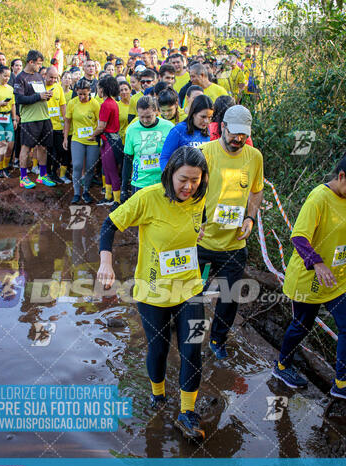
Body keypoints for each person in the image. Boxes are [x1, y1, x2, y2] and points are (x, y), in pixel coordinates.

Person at [98, 146, 209, 441]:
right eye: (183, 179)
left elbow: (202, 219)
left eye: (195, 180)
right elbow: (109, 224)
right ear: (170, 173)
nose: (188, 187)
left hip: (190, 289)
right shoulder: (148, 198)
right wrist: (106, 262)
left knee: (192, 349)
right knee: (158, 349)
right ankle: (157, 396)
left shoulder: (200, 198)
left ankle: (187, 412)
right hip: (153, 292)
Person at [273, 155, 346, 397]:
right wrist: (318, 264)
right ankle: (282, 365)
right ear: (342, 176)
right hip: (309, 279)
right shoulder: (319, 198)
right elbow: (299, 237)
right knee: (302, 326)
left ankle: (341, 383)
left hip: (337, 280)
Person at [198, 105, 264, 359]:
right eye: (233, 133)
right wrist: (195, 224)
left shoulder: (254, 156)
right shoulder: (204, 153)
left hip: (234, 245)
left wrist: (250, 217)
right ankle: (184, 333)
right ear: (222, 127)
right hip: (202, 243)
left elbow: (256, 190)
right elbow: (188, 191)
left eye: (243, 135)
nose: (237, 139)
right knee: (193, 293)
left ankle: (218, 339)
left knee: (229, 297)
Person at [14, 49, 55, 189]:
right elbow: (19, 99)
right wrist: (39, 97)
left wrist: (46, 95)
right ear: (30, 62)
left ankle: (42, 175)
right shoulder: (20, 78)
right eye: (38, 64)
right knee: (26, 148)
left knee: (43, 147)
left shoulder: (38, 76)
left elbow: (40, 94)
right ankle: (23, 177)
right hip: (30, 120)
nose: (39, 66)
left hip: (44, 116)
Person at [121, 95, 173, 200]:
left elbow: (175, 155)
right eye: (141, 117)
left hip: (162, 182)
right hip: (140, 182)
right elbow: (127, 160)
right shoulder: (131, 130)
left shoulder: (169, 127)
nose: (145, 120)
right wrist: (124, 188)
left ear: (157, 112)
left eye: (149, 116)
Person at [64, 78, 100, 205]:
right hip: (77, 139)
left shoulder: (95, 104)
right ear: (76, 92)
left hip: (92, 140)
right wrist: (65, 138)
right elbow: (67, 121)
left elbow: (100, 122)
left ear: (90, 91)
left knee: (90, 167)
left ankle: (86, 191)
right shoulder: (72, 103)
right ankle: (76, 193)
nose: (82, 97)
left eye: (85, 94)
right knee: (78, 165)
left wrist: (95, 135)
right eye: (80, 94)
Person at [91, 76, 121, 209]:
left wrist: (92, 136)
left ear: (102, 89)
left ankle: (117, 200)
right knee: (108, 169)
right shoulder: (113, 102)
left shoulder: (105, 104)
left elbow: (101, 126)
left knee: (111, 170)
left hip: (108, 140)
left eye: (98, 87)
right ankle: (109, 197)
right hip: (111, 140)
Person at [160, 94, 212, 170]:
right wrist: (170, 178)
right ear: (193, 114)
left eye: (210, 117)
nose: (207, 121)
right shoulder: (179, 130)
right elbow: (164, 158)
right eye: (203, 117)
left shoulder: (206, 131)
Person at [45, 66, 67, 184]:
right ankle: (47, 172)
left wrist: (65, 124)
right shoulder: (41, 88)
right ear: (45, 75)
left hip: (57, 125)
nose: (53, 80)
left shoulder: (58, 88)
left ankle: (54, 172)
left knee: (59, 150)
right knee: (49, 151)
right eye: (51, 77)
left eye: (55, 77)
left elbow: (63, 106)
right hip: (45, 125)